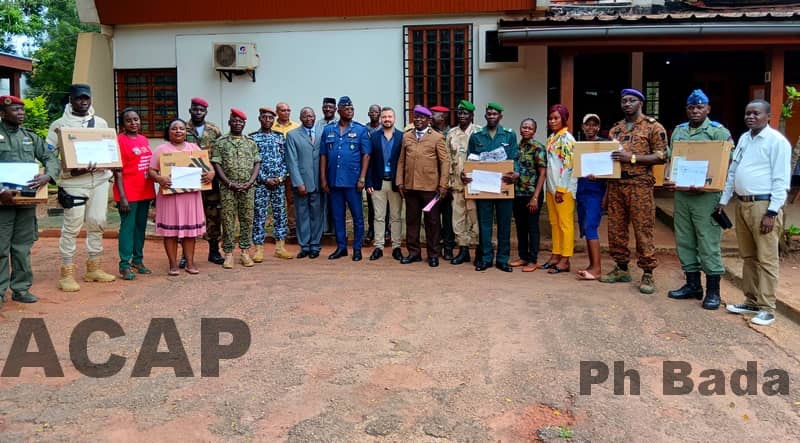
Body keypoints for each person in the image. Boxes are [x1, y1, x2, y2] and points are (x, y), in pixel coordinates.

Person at [718, 99, 791, 326]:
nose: (750, 117)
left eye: (756, 113)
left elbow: (781, 180)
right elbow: (733, 170)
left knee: (767, 259)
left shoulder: (777, 142)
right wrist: (723, 200)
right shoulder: (744, 138)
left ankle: (767, 307)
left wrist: (771, 212)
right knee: (748, 257)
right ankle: (750, 300)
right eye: (748, 113)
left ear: (768, 116)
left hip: (764, 206)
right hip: (743, 204)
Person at [665, 90, 732, 309]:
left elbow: (725, 165)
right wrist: (669, 177)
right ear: (687, 109)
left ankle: (713, 291)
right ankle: (693, 285)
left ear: (708, 109)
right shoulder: (679, 132)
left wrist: (715, 188)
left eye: (700, 107)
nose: (695, 111)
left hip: (707, 197)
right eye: (691, 107)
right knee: (684, 239)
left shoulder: (718, 133)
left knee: (707, 241)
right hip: (683, 194)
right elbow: (672, 159)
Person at [46, 83, 116, 292]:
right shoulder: (59, 124)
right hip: (74, 182)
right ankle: (66, 273)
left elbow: (109, 149)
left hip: (100, 180)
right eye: (79, 98)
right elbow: (49, 154)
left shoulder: (101, 123)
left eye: (86, 98)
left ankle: (93, 268)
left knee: (97, 222)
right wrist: (65, 170)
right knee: (73, 226)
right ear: (71, 100)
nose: (83, 101)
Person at [600, 88, 668, 294]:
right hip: (616, 185)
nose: (627, 104)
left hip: (639, 184)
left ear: (641, 103)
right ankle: (621, 268)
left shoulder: (653, 127)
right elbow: (609, 160)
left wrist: (632, 158)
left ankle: (648, 272)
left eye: (631, 101)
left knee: (642, 229)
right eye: (624, 101)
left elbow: (662, 156)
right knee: (616, 229)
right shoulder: (616, 130)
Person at [0, 95, 60, 306]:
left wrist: (47, 176)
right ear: (3, 113)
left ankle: (20, 288)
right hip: (2, 203)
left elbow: (50, 158)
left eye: (22, 110)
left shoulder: (31, 137)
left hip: (26, 202)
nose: (21, 113)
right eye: (15, 110)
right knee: (0, 247)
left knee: (22, 246)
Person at [148, 119, 213, 275]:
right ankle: (173, 264)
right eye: (174, 129)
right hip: (169, 198)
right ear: (168, 132)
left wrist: (211, 173)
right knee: (170, 232)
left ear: (186, 132)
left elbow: (208, 166)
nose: (178, 131)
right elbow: (151, 170)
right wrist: (159, 178)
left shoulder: (194, 148)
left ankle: (190, 263)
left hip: (190, 197)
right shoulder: (161, 149)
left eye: (181, 129)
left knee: (190, 233)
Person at [465, 102, 519, 272]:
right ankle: (486, 258)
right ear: (485, 116)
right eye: (489, 114)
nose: (492, 117)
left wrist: (516, 173)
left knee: (504, 224)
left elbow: (514, 158)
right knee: (485, 224)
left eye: (495, 114)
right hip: (483, 187)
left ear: (500, 116)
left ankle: (503, 259)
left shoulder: (509, 135)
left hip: (504, 184)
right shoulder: (476, 136)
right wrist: (465, 174)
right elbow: (470, 159)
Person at [396, 105, 449, 267]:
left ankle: (433, 254)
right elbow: (401, 160)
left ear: (428, 120)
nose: (418, 120)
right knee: (412, 221)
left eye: (422, 118)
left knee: (432, 222)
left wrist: (443, 185)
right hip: (410, 187)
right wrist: (399, 181)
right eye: (416, 117)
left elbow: (445, 162)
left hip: (430, 188)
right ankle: (414, 253)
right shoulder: (407, 137)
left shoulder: (437, 138)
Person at [320, 96, 371, 261]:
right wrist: (323, 179)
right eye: (347, 109)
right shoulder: (329, 130)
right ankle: (341, 247)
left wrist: (362, 178)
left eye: (352, 109)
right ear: (339, 110)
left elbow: (366, 155)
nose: (350, 111)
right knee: (337, 215)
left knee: (357, 216)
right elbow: (323, 156)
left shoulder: (361, 130)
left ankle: (357, 248)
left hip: (353, 181)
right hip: (334, 180)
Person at [211, 109, 261, 268]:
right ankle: (229, 253)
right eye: (235, 120)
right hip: (228, 189)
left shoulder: (250, 142)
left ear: (244, 124)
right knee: (228, 220)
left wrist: (250, 182)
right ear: (229, 122)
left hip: (248, 188)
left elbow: (257, 162)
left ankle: (245, 252)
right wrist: (229, 183)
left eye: (241, 121)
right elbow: (216, 163)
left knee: (247, 219)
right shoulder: (221, 142)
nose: (237, 123)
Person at [113, 108, 156, 280]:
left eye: (136, 119)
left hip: (144, 191)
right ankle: (124, 264)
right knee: (127, 229)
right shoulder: (119, 141)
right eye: (129, 120)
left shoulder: (143, 139)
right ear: (123, 123)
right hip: (128, 194)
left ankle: (138, 260)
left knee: (140, 228)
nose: (133, 123)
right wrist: (122, 197)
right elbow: (118, 171)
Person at [250, 107, 293, 262]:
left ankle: (280, 248)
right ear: (259, 119)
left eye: (270, 118)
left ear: (273, 120)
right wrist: (264, 179)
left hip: (278, 184)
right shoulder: (252, 138)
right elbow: (252, 162)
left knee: (280, 215)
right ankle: (259, 249)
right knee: (259, 216)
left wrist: (280, 179)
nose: (267, 120)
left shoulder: (280, 137)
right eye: (264, 117)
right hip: (261, 184)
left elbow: (286, 160)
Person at [185, 97, 224, 265]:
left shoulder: (214, 129)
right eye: (195, 109)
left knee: (213, 214)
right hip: (187, 179)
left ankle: (214, 251)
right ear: (190, 110)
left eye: (201, 110)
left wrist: (214, 172)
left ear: (206, 112)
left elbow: (219, 153)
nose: (198, 112)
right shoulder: (181, 128)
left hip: (210, 179)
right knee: (187, 215)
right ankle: (185, 256)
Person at [541, 105, 576, 274]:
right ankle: (556, 254)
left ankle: (565, 259)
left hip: (564, 190)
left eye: (556, 118)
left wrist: (561, 189)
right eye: (550, 118)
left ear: (563, 119)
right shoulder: (551, 138)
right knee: (554, 224)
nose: (552, 121)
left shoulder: (567, 139)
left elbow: (569, 166)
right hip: (551, 188)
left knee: (565, 225)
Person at [366, 107, 404, 261]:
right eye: (384, 117)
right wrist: (368, 181)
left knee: (395, 217)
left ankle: (396, 247)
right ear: (381, 119)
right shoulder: (373, 137)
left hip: (395, 182)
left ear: (394, 118)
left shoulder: (402, 137)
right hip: (378, 182)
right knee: (379, 217)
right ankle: (379, 246)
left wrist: (403, 182)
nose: (387, 119)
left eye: (389, 116)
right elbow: (368, 161)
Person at [286, 107, 324, 258]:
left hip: (319, 182)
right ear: (300, 118)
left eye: (311, 116)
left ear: (315, 117)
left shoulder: (322, 132)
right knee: (302, 215)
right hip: (301, 182)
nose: (309, 119)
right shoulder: (292, 135)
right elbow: (292, 161)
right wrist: (298, 182)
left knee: (317, 214)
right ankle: (305, 246)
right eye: (305, 116)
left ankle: (315, 245)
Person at [511, 117, 547, 273]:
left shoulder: (538, 147)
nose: (526, 130)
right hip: (517, 193)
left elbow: (542, 173)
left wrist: (535, 197)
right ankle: (523, 257)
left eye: (530, 128)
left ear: (534, 131)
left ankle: (533, 260)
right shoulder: (516, 147)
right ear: (520, 129)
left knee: (532, 227)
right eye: (524, 127)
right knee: (520, 227)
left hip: (532, 194)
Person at [575, 113, 608, 281]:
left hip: (596, 191)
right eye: (587, 124)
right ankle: (592, 264)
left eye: (594, 125)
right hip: (582, 190)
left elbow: (612, 172)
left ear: (598, 127)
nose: (591, 127)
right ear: (582, 127)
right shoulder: (579, 145)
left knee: (591, 227)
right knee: (585, 226)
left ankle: (597, 269)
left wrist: (606, 196)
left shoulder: (605, 145)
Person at [447, 100, 480, 265]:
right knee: (458, 218)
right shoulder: (452, 133)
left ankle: (480, 249)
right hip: (457, 185)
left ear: (472, 115)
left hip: (476, 185)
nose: (462, 116)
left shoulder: (479, 132)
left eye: (465, 113)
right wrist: (446, 182)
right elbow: (447, 159)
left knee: (475, 218)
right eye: (459, 113)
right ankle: (463, 249)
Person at [431, 105, 455, 260]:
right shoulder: (429, 133)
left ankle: (448, 247)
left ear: (443, 117)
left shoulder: (453, 133)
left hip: (450, 183)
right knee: (433, 217)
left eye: (434, 114)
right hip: (431, 182)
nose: (431, 117)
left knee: (448, 217)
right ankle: (436, 246)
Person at [364, 104, 382, 244]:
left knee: (385, 204)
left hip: (382, 169)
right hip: (369, 169)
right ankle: (371, 229)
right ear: (369, 114)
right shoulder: (365, 129)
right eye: (372, 111)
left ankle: (385, 230)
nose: (374, 113)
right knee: (371, 204)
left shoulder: (385, 129)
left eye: (377, 111)